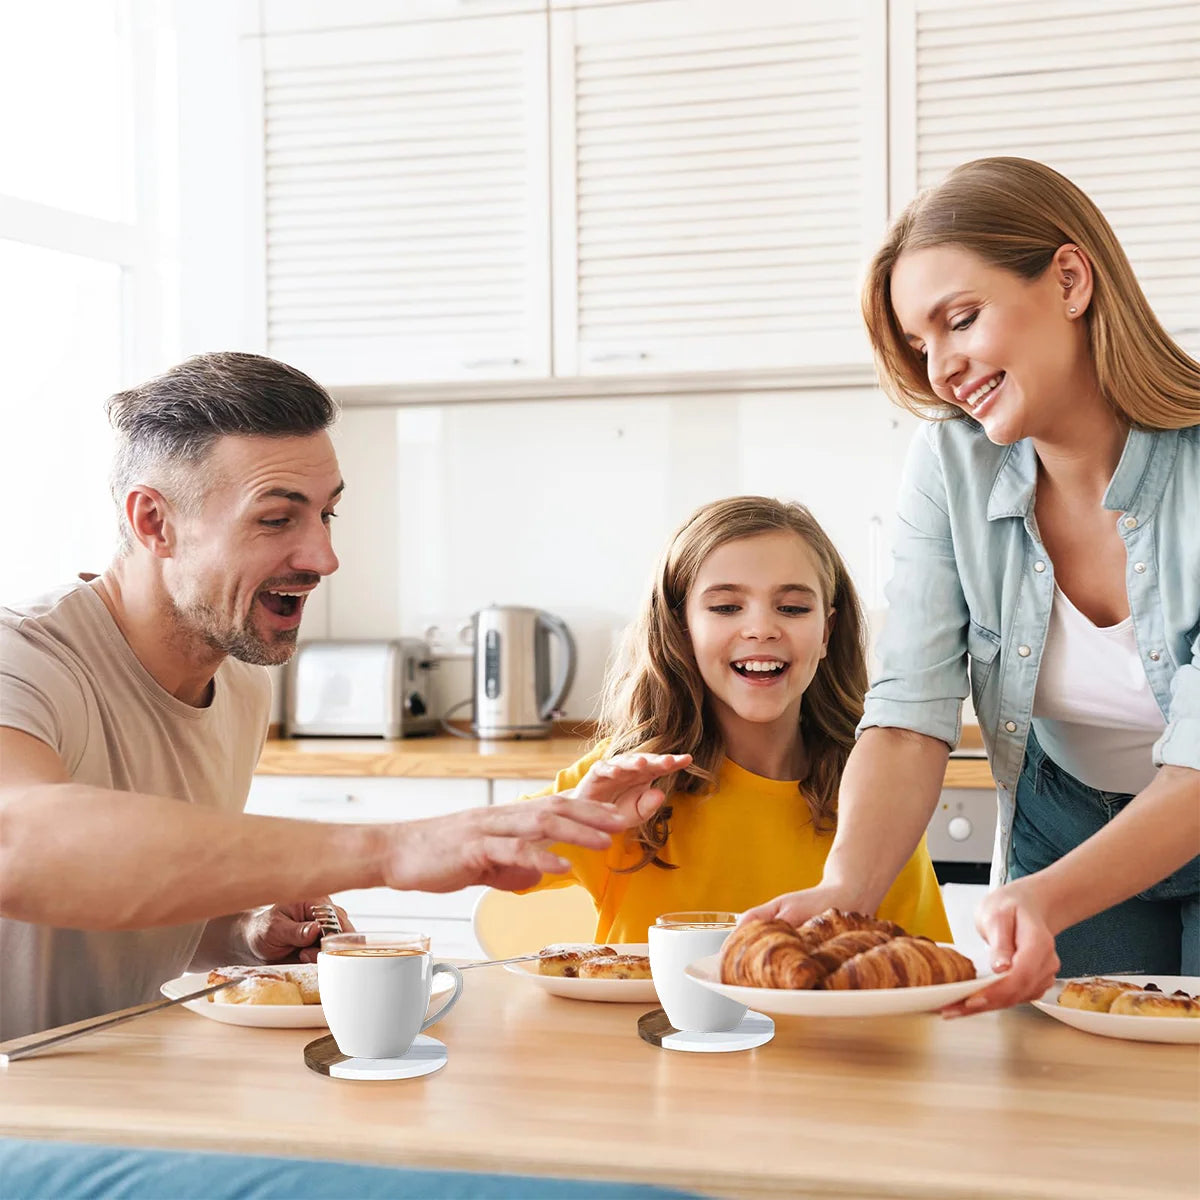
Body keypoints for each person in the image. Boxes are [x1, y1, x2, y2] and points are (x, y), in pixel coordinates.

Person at [0, 352, 682, 1041]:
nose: (323, 557)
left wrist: (243, 932)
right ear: (155, 522)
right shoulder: (21, 658)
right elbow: (19, 843)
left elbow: (118, 901)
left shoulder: (239, 684)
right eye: (276, 520)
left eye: (328, 514)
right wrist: (392, 848)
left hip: (100, 1089)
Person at [745, 157, 1200, 1012]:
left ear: (1069, 278)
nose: (941, 367)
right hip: (1063, 826)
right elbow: (910, 711)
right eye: (921, 344)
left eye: (960, 320)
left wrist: (1044, 902)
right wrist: (843, 891)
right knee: (1064, 1114)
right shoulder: (952, 460)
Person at [517, 496, 951, 943]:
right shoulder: (624, 780)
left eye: (793, 608)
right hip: (643, 1018)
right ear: (681, 630)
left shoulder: (880, 800)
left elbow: (922, 977)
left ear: (827, 631)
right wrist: (574, 819)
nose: (761, 628)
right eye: (726, 607)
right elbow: (489, 858)